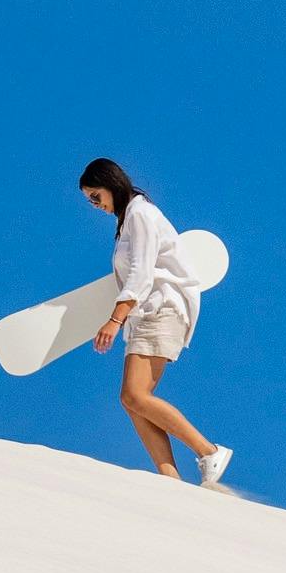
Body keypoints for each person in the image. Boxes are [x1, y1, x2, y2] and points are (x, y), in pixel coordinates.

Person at [78, 157, 231, 486]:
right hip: (147, 315)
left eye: (95, 196)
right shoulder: (128, 222)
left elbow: (142, 273)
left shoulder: (141, 214)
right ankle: (169, 478)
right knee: (133, 399)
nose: (94, 205)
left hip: (161, 309)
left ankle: (209, 451)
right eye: (89, 200)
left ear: (111, 183)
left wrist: (114, 320)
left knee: (134, 396)